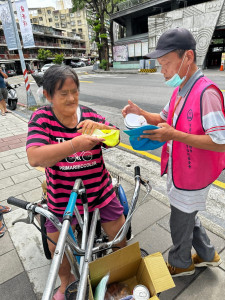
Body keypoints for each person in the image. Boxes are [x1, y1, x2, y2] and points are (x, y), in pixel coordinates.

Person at [122, 28, 224, 277]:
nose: (162, 71)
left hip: (193, 175)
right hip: (181, 170)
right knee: (187, 215)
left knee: (179, 220)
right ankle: (209, 255)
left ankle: (181, 263)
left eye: (166, 64)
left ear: (187, 58)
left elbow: (220, 142)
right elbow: (164, 119)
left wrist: (174, 135)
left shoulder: (206, 93)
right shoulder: (180, 89)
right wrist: (142, 113)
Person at [26, 65, 126, 300]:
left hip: (99, 190)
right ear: (49, 95)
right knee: (55, 249)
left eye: (75, 91)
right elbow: (35, 157)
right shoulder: (42, 118)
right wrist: (75, 144)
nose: (71, 98)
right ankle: (66, 281)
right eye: (63, 93)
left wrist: (104, 129)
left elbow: (116, 138)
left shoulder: (90, 116)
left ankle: (120, 274)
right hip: (61, 197)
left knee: (119, 235)